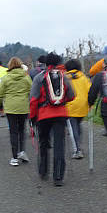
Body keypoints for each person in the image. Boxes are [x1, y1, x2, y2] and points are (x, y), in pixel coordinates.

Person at [30, 53, 75, 186]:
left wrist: (32, 117)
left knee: (43, 143)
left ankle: (43, 171)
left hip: (43, 115)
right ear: (58, 62)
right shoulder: (63, 76)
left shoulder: (39, 78)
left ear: (45, 63)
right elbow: (72, 96)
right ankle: (58, 177)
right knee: (59, 145)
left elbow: (33, 100)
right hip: (60, 115)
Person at [0, 57, 32, 166]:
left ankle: (14, 157)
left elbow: (0, 94)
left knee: (13, 132)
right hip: (23, 107)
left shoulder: (6, 78)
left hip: (11, 108)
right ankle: (22, 151)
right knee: (22, 130)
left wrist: (0, 105)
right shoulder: (26, 77)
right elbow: (32, 90)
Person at [65, 59, 91, 159]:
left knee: (73, 128)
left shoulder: (65, 78)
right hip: (83, 106)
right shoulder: (83, 77)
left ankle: (77, 150)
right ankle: (79, 145)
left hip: (70, 106)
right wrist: (90, 104)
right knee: (78, 125)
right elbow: (90, 90)